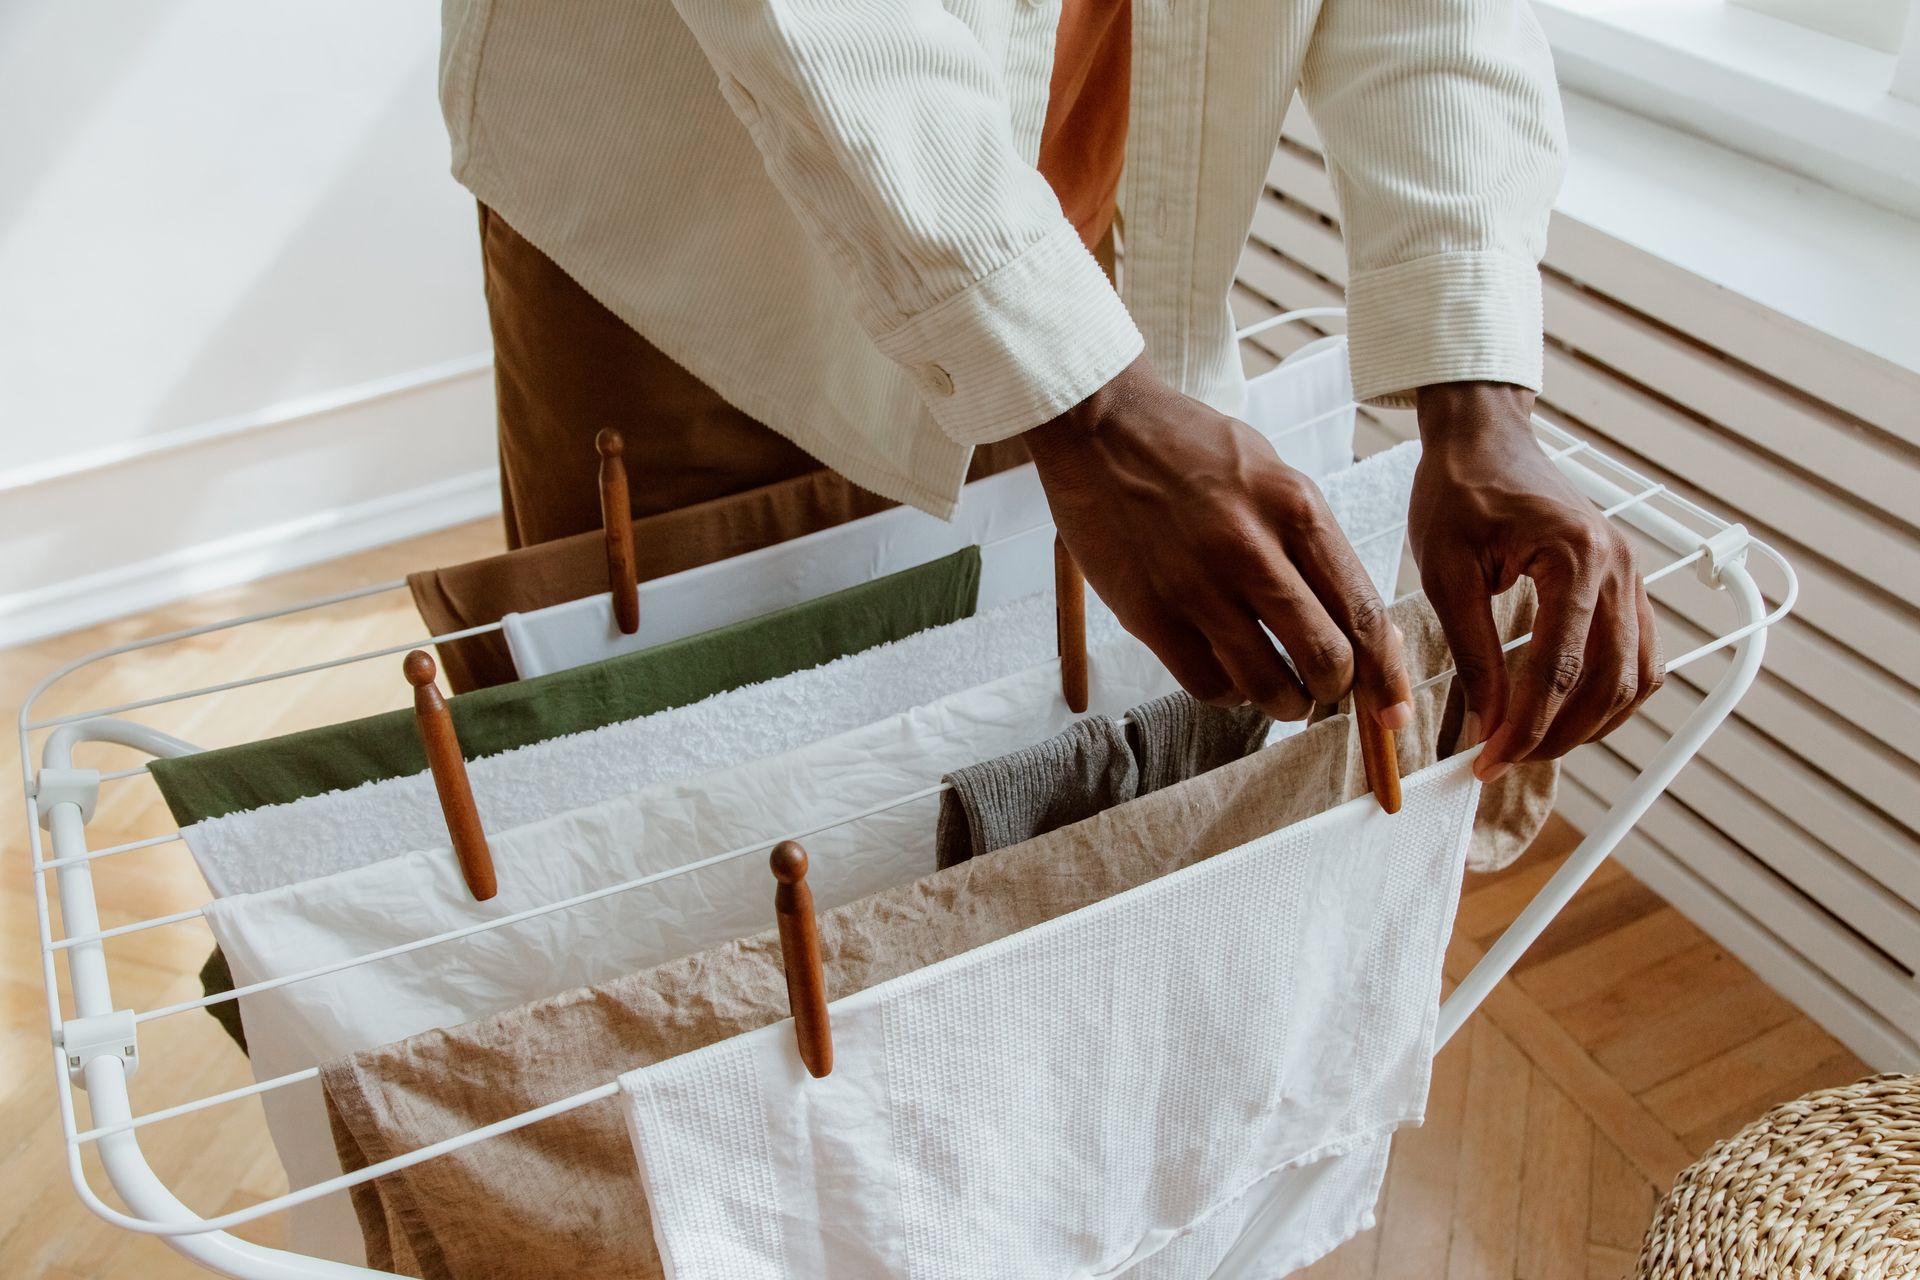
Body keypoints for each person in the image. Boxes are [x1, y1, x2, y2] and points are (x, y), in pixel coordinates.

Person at [440, 0, 1660, 780]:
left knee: (1013, 745)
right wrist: (1090, 406)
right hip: (695, 216)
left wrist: (1474, 387)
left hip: (1059, 180)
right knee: (673, 766)